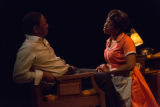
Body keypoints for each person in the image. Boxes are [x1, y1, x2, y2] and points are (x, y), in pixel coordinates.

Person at [96, 9, 159, 107]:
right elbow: (116, 61)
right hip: (116, 79)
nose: (105, 25)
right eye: (106, 21)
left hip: (129, 81)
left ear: (117, 29)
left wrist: (109, 70)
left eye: (109, 23)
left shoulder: (126, 41)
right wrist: (105, 66)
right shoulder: (109, 41)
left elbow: (130, 65)